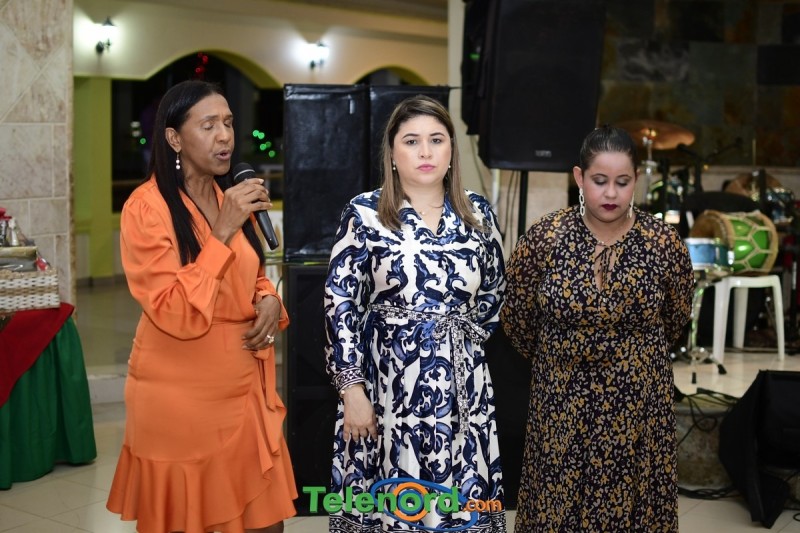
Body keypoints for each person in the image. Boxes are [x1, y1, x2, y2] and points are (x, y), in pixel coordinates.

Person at [106, 79, 297, 533]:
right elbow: (172, 309)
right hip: (180, 395)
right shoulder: (146, 208)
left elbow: (252, 275)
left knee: (266, 522)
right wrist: (222, 231)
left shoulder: (229, 197)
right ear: (174, 138)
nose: (224, 136)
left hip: (244, 386)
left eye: (228, 123)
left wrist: (269, 299)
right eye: (208, 125)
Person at [323, 95, 507, 532]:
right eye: (411, 141)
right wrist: (352, 390)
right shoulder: (364, 213)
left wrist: (454, 338)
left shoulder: (477, 212)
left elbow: (495, 292)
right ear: (392, 153)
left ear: (451, 151)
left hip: (463, 388)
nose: (425, 152)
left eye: (436, 140)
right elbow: (340, 303)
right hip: (387, 386)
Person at [500, 125, 695, 532]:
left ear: (636, 180)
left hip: (638, 405)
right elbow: (516, 318)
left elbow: (677, 317)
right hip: (561, 403)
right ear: (579, 177)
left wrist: (627, 357)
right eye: (600, 180)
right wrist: (563, 356)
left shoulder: (663, 243)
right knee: (557, 508)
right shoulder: (545, 238)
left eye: (622, 182)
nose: (611, 193)